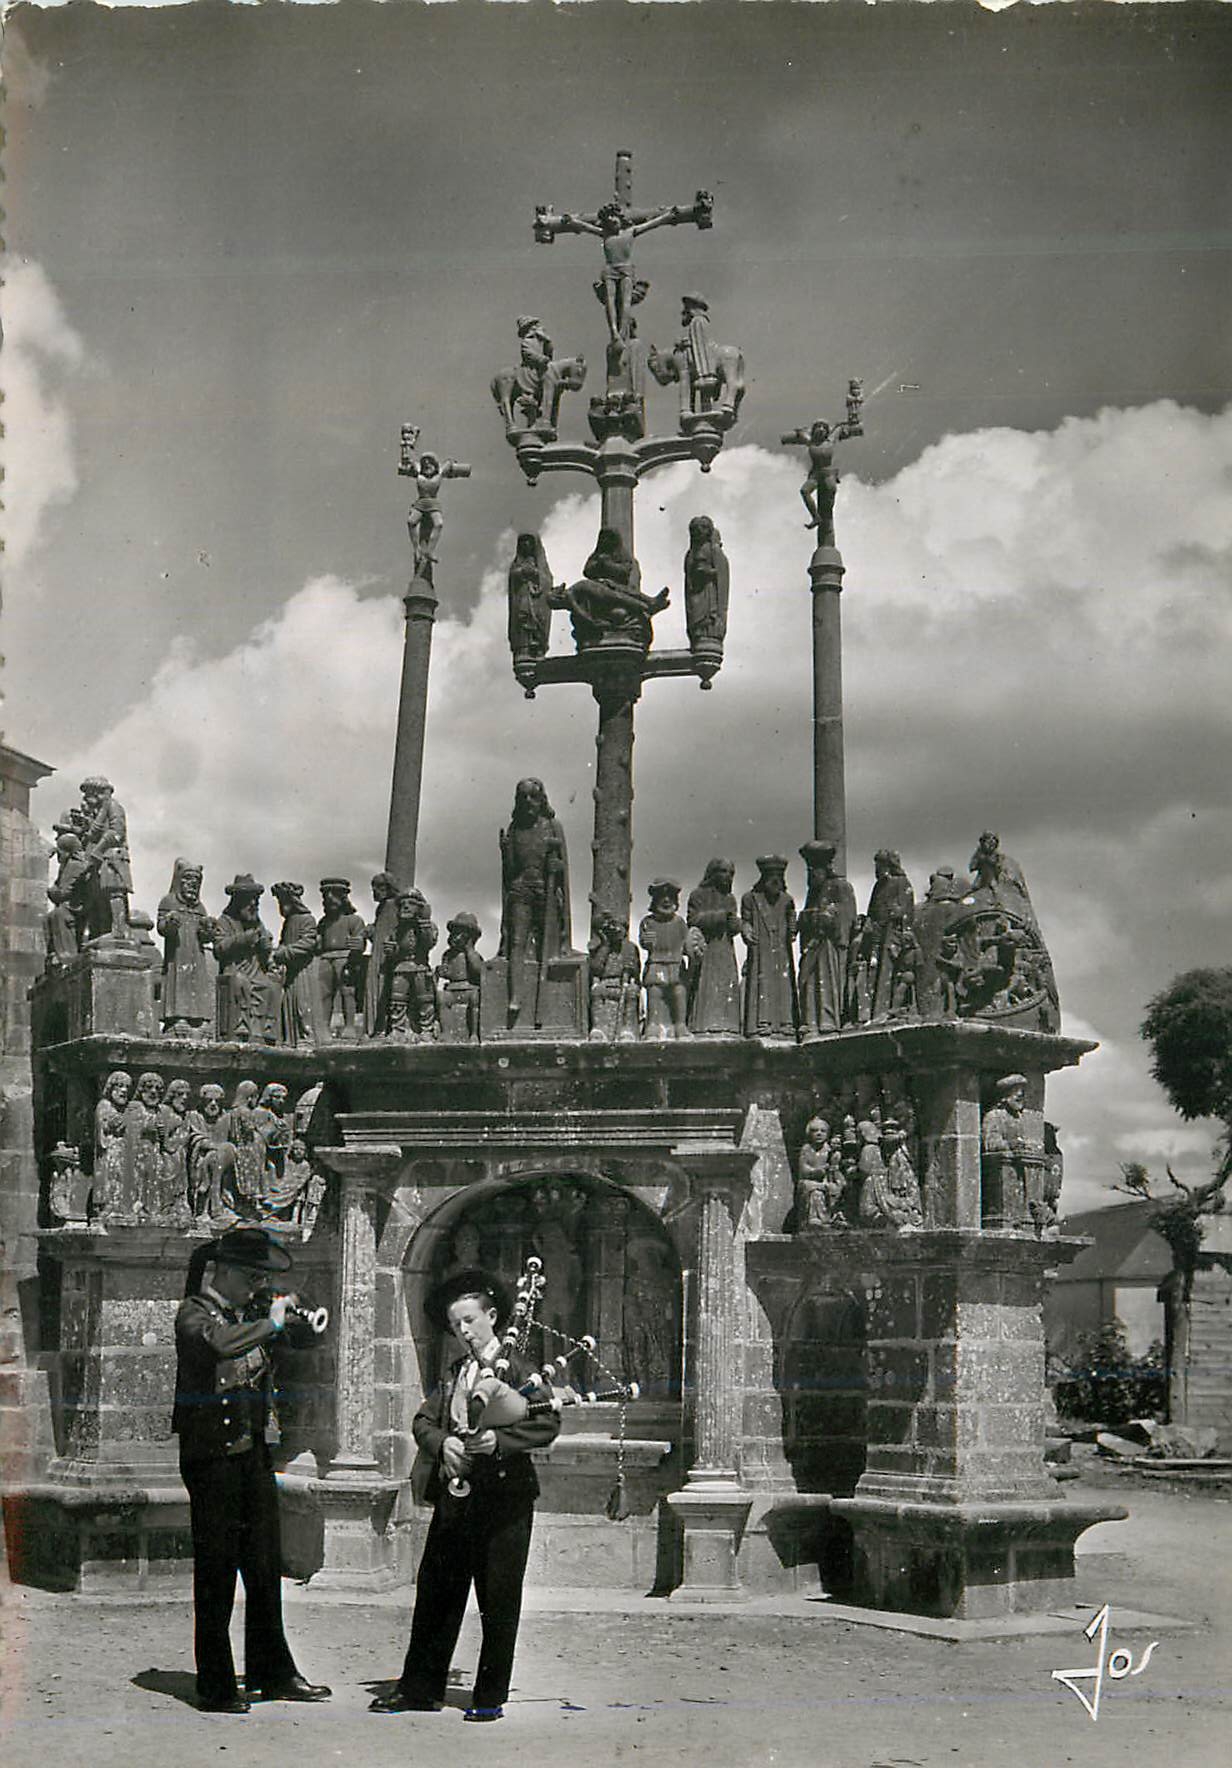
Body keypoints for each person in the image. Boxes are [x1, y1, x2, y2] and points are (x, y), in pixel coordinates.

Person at [371, 1268, 561, 1723]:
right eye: (457, 1326)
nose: (464, 1332)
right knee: (437, 1591)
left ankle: (489, 1694)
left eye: (471, 1321)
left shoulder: (520, 1369)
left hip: (505, 1501)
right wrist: (444, 1445)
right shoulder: (456, 1373)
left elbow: (547, 1422)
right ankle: (419, 1687)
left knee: (498, 1597)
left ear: (493, 1317)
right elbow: (423, 1422)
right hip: (457, 1499)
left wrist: (500, 1442)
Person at [172, 1227, 331, 1714]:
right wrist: (272, 1323)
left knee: (264, 1567)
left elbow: (297, 1342)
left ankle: (272, 1671)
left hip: (251, 1455)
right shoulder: (194, 1313)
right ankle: (216, 1685)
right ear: (221, 1272)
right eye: (248, 1277)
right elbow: (218, 1345)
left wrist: (296, 1314)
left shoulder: (249, 1315)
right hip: (212, 1460)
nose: (254, 1287)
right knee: (217, 1573)